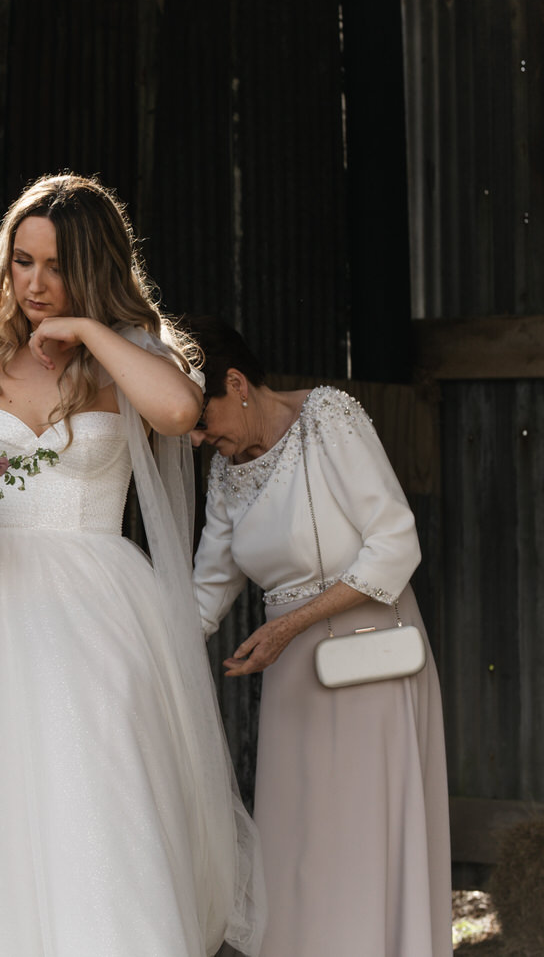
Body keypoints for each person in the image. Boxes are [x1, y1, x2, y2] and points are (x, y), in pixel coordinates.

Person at [0, 175, 264, 957]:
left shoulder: (129, 356)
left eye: (55, 266)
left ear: (92, 269)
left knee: (94, 793)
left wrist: (87, 332)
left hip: (95, 609)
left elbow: (176, 412)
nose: (32, 282)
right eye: (22, 260)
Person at [187, 314, 451, 957]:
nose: (196, 439)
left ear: (237, 382)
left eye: (203, 418)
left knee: (364, 835)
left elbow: (395, 544)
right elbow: (210, 586)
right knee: (302, 842)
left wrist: (291, 626)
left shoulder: (328, 417)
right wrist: (145, 649)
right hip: (293, 679)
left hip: (370, 657)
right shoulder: (227, 468)